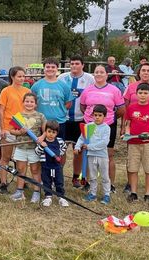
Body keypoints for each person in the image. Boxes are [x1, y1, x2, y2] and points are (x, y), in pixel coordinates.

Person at [80, 65, 125, 193]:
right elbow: (83, 107)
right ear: (93, 74)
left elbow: (121, 110)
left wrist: (109, 119)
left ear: (107, 75)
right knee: (88, 154)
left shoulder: (114, 90)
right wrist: (91, 119)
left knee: (109, 155)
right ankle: (87, 182)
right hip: (90, 125)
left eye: (102, 72)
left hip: (108, 125)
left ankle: (111, 185)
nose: (99, 74)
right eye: (96, 72)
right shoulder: (87, 90)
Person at [122, 62, 149, 195]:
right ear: (139, 72)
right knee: (132, 158)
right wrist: (124, 129)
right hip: (133, 130)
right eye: (143, 70)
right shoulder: (130, 87)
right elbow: (126, 110)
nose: (146, 73)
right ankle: (130, 185)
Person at [57, 55, 94, 189]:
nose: (74, 66)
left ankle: (76, 177)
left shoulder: (90, 79)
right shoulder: (62, 78)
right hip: (64, 119)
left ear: (82, 65)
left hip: (80, 120)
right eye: (72, 63)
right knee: (61, 149)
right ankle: (58, 175)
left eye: (77, 63)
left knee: (78, 150)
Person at [0, 66, 31, 194]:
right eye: (19, 76)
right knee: (6, 157)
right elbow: (1, 110)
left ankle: (22, 181)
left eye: (23, 76)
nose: (22, 79)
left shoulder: (27, 91)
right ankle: (3, 183)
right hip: (8, 128)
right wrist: (2, 128)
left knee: (22, 158)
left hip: (22, 129)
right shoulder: (6, 91)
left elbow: (30, 110)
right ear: (12, 77)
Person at [9, 93, 46, 203]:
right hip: (21, 147)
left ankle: (36, 191)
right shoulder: (18, 116)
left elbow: (45, 131)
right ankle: (19, 191)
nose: (29, 104)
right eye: (27, 101)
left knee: (35, 170)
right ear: (23, 102)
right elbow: (11, 130)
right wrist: (19, 132)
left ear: (35, 104)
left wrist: (41, 137)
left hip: (34, 148)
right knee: (21, 170)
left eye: (31, 102)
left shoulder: (40, 116)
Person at [74, 105, 111, 205]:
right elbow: (82, 138)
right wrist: (77, 147)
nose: (97, 117)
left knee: (104, 176)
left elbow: (104, 142)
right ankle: (92, 193)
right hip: (90, 156)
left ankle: (107, 194)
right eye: (95, 115)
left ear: (105, 116)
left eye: (100, 115)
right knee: (93, 176)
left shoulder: (106, 128)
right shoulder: (88, 126)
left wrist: (89, 146)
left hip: (102, 156)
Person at [32, 57, 72, 140]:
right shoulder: (36, 86)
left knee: (59, 148)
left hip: (59, 122)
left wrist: (58, 111)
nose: (50, 69)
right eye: (48, 67)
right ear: (44, 68)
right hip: (42, 123)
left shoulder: (64, 86)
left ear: (57, 69)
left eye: (53, 67)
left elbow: (68, 103)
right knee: (42, 148)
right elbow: (33, 103)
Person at [35, 121, 68, 207]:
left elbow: (64, 147)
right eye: (49, 131)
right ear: (45, 131)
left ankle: (61, 197)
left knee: (59, 181)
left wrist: (59, 154)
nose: (51, 134)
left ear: (57, 133)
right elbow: (37, 152)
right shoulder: (42, 142)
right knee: (46, 181)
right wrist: (42, 146)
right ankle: (48, 197)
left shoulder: (59, 141)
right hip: (46, 166)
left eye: (53, 132)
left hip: (57, 166)